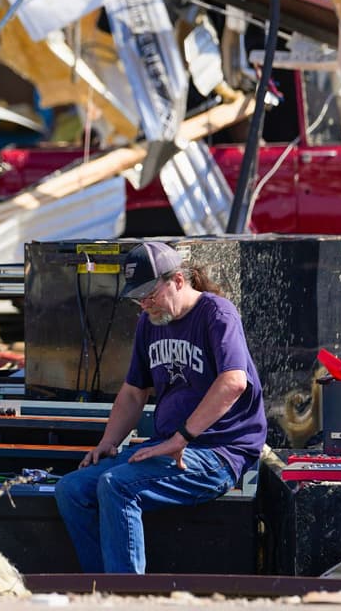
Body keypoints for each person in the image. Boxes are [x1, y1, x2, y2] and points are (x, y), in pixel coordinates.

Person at [54, 241, 267, 574]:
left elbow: (233, 382)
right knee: (71, 488)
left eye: (150, 295)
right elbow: (133, 392)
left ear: (178, 281)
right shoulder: (149, 323)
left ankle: (127, 598)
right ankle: (99, 591)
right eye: (138, 298)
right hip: (169, 445)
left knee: (117, 486)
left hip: (218, 452)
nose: (144, 305)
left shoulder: (217, 313)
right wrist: (107, 443)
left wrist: (179, 439)